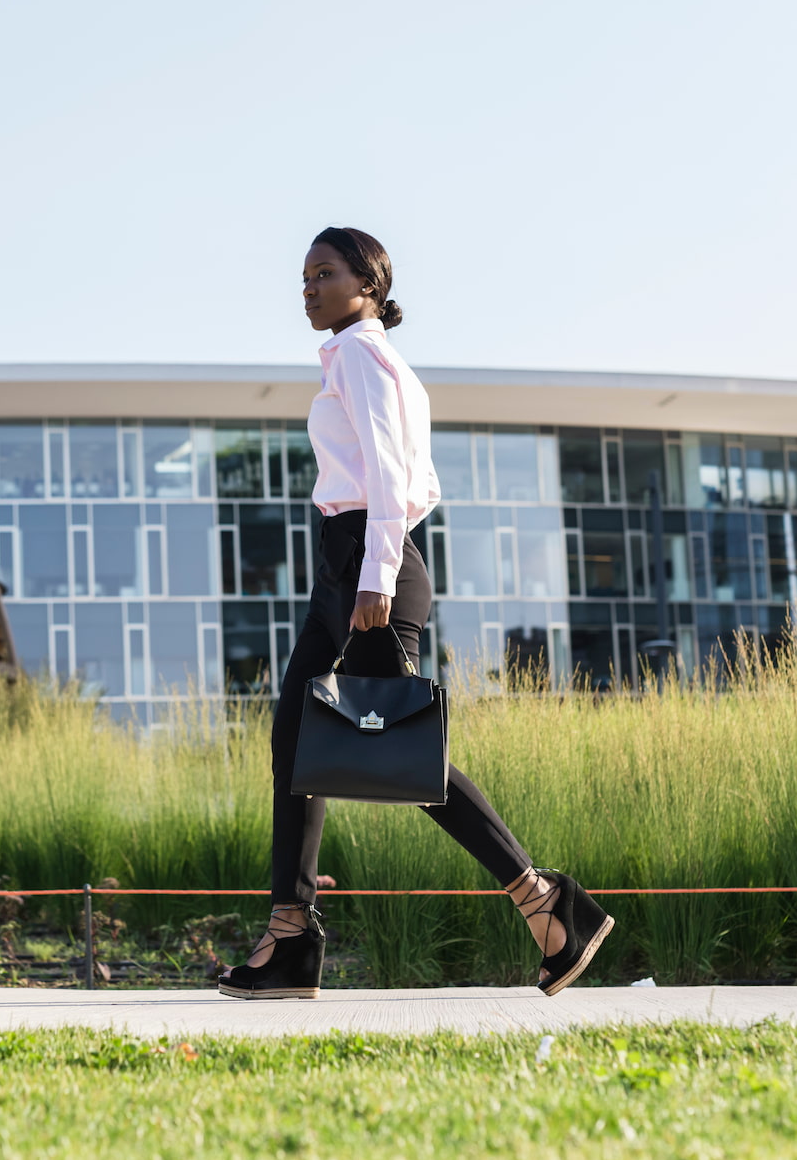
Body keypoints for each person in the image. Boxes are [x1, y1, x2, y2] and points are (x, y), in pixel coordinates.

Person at [218, 227, 614, 1001]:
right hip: (347, 562)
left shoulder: (365, 353)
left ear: (367, 282)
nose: (308, 286)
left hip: (373, 561)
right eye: (303, 276)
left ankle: (546, 902)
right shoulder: (352, 356)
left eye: (324, 273)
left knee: (400, 755)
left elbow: (393, 472)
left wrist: (375, 573)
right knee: (297, 735)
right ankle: (290, 936)